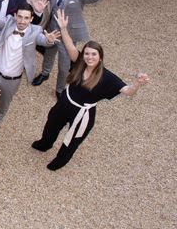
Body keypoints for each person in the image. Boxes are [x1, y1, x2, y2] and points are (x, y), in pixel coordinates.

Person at [32, 9, 149, 170]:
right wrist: (63, 28)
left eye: (93, 54)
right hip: (65, 102)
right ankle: (45, 144)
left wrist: (137, 83)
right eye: (87, 54)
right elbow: (69, 45)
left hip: (82, 113)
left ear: (100, 57)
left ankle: (60, 160)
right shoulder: (79, 63)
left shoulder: (107, 77)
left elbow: (128, 91)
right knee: (52, 124)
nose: (89, 57)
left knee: (73, 139)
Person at [0, 2, 59, 140]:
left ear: (31, 19)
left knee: (4, 103)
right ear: (15, 16)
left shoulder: (36, 31)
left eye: (26, 18)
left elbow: (42, 40)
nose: (22, 21)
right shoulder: (9, 22)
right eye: (20, 17)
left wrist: (49, 41)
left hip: (13, 80)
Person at [33, 0, 107, 95]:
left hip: (68, 35)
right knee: (49, 54)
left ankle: (60, 89)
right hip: (52, 29)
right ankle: (45, 73)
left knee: (64, 65)